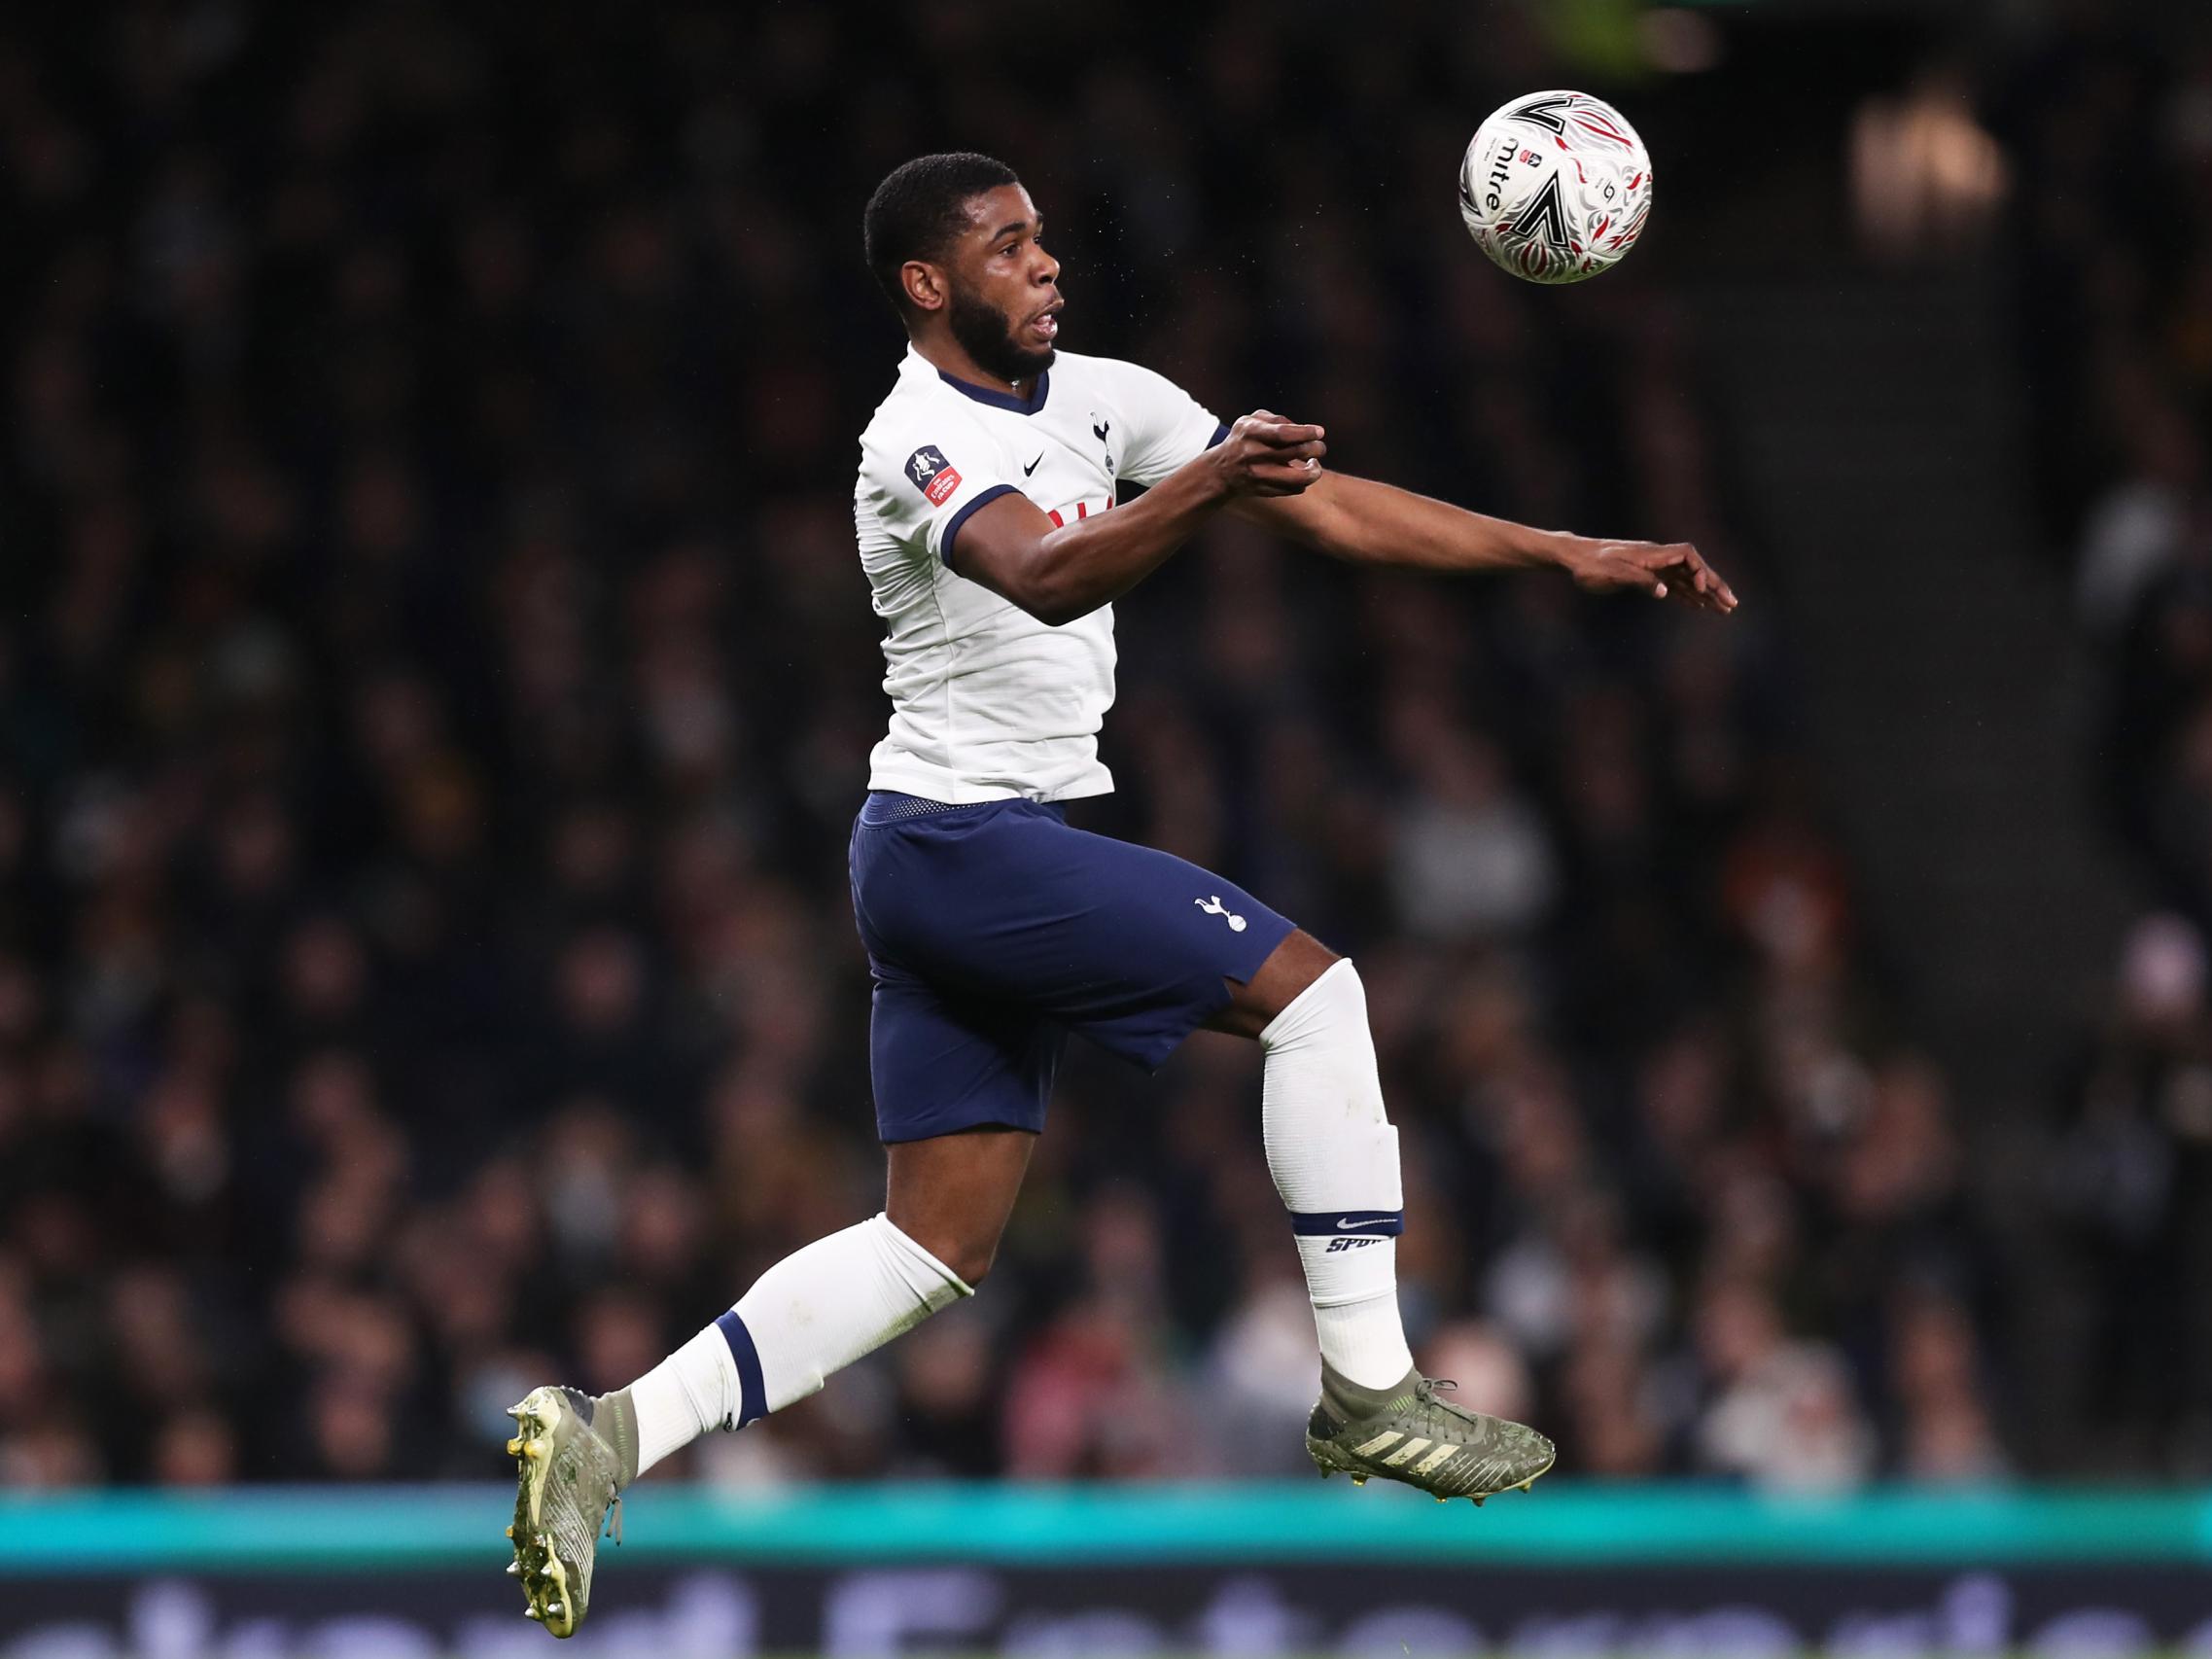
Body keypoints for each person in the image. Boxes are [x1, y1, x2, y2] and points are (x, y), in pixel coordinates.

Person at [502, 151, 1737, 1637]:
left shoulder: (1109, 394)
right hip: (966, 843)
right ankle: (1368, 1388)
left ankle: (610, 1430)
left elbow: (1329, 509)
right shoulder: (911, 436)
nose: (1047, 265)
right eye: (1009, 247)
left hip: (947, 852)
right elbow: (1041, 574)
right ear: (926, 283)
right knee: (1319, 995)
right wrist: (1209, 481)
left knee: (931, 1248)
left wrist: (1561, 550)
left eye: (1044, 242)